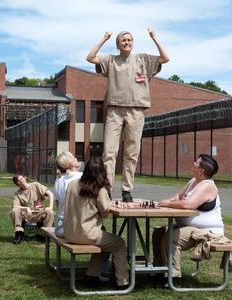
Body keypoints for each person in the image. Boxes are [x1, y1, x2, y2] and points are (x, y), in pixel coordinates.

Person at [86, 28, 170, 202]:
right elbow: (90, 57)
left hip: (136, 110)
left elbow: (165, 58)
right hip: (115, 111)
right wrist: (104, 38)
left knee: (132, 152)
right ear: (118, 44)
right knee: (109, 152)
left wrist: (154, 37)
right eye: (123, 40)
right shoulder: (111, 60)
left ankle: (126, 190)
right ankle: (107, 189)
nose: (127, 42)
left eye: (129, 40)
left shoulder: (143, 59)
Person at [152, 154, 224, 283]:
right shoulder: (194, 181)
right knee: (158, 234)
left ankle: (173, 277)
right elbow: (178, 197)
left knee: (171, 238)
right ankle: (160, 271)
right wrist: (163, 202)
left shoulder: (207, 185)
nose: (193, 163)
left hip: (207, 231)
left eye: (196, 162)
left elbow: (188, 204)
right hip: (189, 228)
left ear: (201, 170)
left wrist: (167, 204)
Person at [63, 156, 129, 289]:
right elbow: (104, 213)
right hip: (87, 234)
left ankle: (92, 275)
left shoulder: (72, 184)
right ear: (102, 172)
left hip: (69, 232)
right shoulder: (99, 189)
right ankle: (123, 281)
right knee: (119, 244)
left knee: (104, 235)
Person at [10, 174, 55, 244]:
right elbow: (14, 206)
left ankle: (46, 235)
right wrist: (26, 208)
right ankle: (19, 234)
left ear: (24, 178)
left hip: (38, 213)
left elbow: (50, 194)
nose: (21, 181)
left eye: (21, 178)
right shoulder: (17, 194)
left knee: (50, 212)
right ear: (17, 184)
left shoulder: (35, 185)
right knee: (14, 211)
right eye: (18, 181)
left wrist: (50, 207)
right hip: (26, 215)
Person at [54, 151, 82, 237]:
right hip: (75, 227)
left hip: (60, 226)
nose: (76, 158)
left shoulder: (58, 180)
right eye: (73, 157)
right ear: (71, 164)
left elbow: (58, 204)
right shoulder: (81, 177)